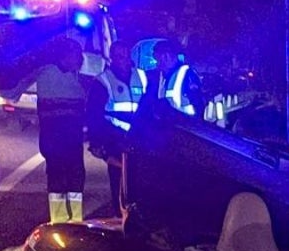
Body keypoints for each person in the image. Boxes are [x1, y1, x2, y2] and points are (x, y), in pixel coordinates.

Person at [88, 41, 147, 215]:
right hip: (115, 139)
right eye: (119, 56)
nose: (123, 60)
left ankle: (139, 219)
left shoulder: (141, 77)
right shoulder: (103, 80)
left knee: (140, 183)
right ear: (112, 58)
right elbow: (94, 114)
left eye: (125, 55)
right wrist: (98, 142)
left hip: (138, 139)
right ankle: (119, 218)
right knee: (119, 182)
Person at [36, 37, 88, 223]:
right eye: (76, 55)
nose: (80, 59)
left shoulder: (74, 77)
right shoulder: (49, 74)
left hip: (70, 139)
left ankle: (72, 219)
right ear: (66, 56)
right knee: (60, 178)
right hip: (56, 139)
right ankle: (61, 220)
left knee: (74, 178)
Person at [143, 39, 205, 118]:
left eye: (157, 57)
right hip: (166, 125)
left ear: (166, 56)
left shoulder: (187, 74)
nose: (156, 62)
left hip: (186, 125)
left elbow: (197, 103)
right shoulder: (159, 77)